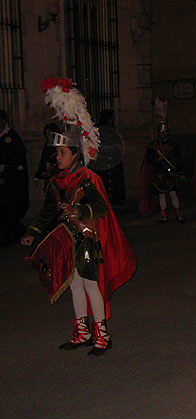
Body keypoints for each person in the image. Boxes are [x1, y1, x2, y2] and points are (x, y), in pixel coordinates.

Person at [21, 126, 136, 354]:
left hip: (87, 238)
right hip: (67, 240)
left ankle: (102, 336)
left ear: (75, 155)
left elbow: (102, 207)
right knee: (74, 285)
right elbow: (48, 210)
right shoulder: (58, 180)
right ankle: (83, 332)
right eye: (57, 153)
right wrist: (32, 232)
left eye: (63, 153)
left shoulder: (87, 178)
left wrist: (79, 211)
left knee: (91, 286)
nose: (58, 157)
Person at [143, 121, 185, 223]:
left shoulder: (173, 146)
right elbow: (149, 161)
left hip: (170, 173)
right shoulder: (153, 147)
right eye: (161, 132)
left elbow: (178, 159)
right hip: (159, 174)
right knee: (161, 194)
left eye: (164, 132)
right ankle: (164, 215)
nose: (163, 134)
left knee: (173, 193)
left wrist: (180, 172)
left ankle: (178, 214)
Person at [0, 109, 29, 247]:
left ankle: (12, 234)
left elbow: (17, 158)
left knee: (10, 207)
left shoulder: (11, 136)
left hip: (11, 180)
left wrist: (6, 174)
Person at [90, 109, 126, 205]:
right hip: (103, 162)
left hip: (113, 161)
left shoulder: (112, 131)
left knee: (114, 182)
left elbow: (117, 144)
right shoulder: (100, 131)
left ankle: (115, 198)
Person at [34, 122, 61, 192]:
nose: (48, 136)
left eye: (49, 133)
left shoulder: (61, 146)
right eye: (46, 134)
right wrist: (39, 174)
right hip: (50, 177)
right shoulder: (47, 146)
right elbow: (43, 161)